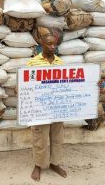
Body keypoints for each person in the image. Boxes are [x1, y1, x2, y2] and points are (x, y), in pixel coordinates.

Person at [26, 34, 67, 181]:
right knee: (39, 138)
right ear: (41, 44)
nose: (52, 47)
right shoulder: (33, 63)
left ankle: (54, 163)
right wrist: (20, 89)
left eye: (54, 44)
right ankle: (38, 165)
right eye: (49, 44)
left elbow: (68, 84)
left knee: (57, 137)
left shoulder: (60, 63)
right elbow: (25, 83)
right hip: (40, 109)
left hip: (57, 107)